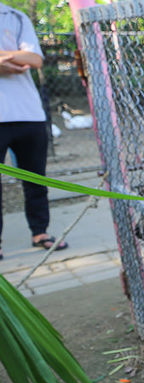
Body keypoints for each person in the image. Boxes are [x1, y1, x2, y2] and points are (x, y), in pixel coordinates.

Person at [0, 2, 67, 260]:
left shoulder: (15, 17)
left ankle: (40, 232)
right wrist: (10, 55)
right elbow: (22, 57)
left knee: (36, 179)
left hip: (28, 114)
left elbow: (34, 59)